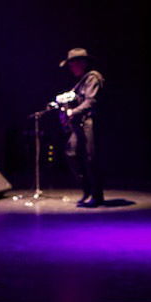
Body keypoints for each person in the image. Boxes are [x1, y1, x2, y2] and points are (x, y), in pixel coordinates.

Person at [57, 47, 105, 207]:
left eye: (73, 64)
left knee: (91, 158)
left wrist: (72, 112)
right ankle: (86, 190)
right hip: (79, 125)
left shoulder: (92, 78)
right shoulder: (79, 82)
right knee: (71, 153)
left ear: (83, 63)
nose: (71, 68)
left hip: (90, 122)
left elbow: (91, 101)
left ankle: (96, 195)